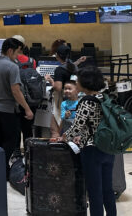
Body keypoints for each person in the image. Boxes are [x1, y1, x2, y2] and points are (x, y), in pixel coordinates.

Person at [60, 66, 116, 216]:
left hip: (92, 150)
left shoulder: (86, 101)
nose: (76, 83)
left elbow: (77, 126)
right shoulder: (105, 97)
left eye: (78, 81)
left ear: (85, 82)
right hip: (108, 148)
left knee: (94, 192)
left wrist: (64, 136)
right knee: (107, 190)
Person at [0, 37, 34, 178]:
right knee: (12, 139)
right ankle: (5, 171)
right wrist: (27, 108)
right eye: (16, 53)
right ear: (10, 51)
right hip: (8, 109)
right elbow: (16, 91)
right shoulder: (12, 66)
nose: (17, 56)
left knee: (0, 139)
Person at [45, 44, 78, 137]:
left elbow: (58, 88)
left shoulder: (59, 70)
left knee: (55, 129)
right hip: (74, 101)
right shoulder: (74, 67)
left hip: (62, 102)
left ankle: (56, 151)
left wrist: (51, 80)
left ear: (58, 55)